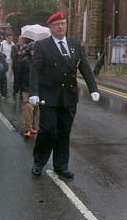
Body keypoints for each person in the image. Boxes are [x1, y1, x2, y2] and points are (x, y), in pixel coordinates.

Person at [29, 12, 100, 178]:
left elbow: (85, 68)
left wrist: (93, 89)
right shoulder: (42, 45)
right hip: (49, 95)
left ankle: (61, 165)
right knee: (48, 131)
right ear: (50, 28)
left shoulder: (75, 44)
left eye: (63, 23)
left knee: (64, 132)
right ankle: (39, 162)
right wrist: (34, 92)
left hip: (68, 96)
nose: (60, 27)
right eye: (56, 25)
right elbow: (35, 70)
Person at [19, 42, 38, 137]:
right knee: (27, 108)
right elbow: (19, 75)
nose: (34, 52)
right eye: (32, 50)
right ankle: (27, 128)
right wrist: (17, 87)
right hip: (26, 88)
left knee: (35, 109)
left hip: (36, 89)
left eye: (36, 50)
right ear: (29, 51)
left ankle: (32, 127)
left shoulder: (40, 61)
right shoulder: (25, 61)